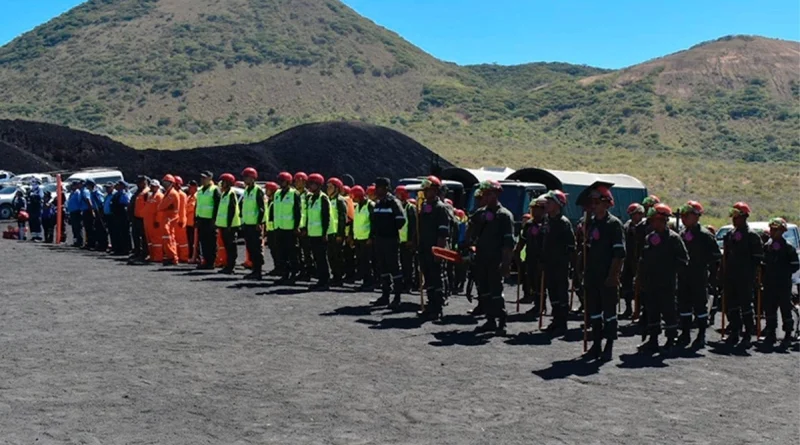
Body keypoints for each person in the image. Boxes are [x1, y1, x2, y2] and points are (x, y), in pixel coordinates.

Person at [637, 203, 689, 354]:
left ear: (663, 220)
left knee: (668, 312)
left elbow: (683, 260)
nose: (653, 223)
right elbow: (643, 259)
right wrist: (640, 278)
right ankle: (653, 340)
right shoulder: (649, 238)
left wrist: (670, 269)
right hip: (650, 282)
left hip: (667, 283)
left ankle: (670, 340)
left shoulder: (674, 239)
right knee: (652, 311)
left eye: (655, 220)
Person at [582, 184, 625, 361]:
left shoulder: (614, 224)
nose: (593, 205)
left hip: (607, 275)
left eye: (597, 202)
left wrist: (613, 275)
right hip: (592, 274)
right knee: (594, 312)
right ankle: (596, 344)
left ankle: (609, 346)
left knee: (609, 314)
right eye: (592, 202)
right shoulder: (590, 223)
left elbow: (619, 253)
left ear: (606, 204)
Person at [468, 180, 514, 334]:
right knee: (484, 290)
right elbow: (470, 232)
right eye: (484, 194)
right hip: (481, 258)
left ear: (496, 194)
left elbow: (508, 243)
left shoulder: (505, 216)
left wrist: (506, 263)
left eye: (489, 193)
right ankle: (490, 320)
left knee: (496, 291)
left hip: (496, 259)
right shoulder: (480, 213)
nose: (486, 196)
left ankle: (502, 320)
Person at [676, 201, 721, 349]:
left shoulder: (705, 235)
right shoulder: (682, 233)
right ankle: (685, 334)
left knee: (700, 307)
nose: (683, 218)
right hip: (683, 276)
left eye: (686, 215)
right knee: (684, 306)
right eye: (682, 216)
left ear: (696, 216)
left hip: (699, 276)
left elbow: (715, 257)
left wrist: (712, 277)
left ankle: (701, 335)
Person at [720, 202, 764, 348]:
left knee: (746, 306)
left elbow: (758, 259)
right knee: (731, 305)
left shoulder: (752, 236)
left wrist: (756, 277)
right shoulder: (730, 235)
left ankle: (747, 333)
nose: (734, 219)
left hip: (745, 277)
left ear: (744, 217)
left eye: (737, 216)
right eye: (733, 216)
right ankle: (734, 331)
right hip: (731, 276)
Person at [541, 190, 576, 337]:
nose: (546, 204)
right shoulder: (547, 220)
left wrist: (572, 265)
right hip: (548, 263)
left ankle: (562, 323)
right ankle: (555, 319)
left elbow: (571, 246)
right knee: (552, 293)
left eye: (550, 202)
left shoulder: (563, 223)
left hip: (560, 264)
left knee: (561, 294)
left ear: (557, 205)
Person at [761, 217, 800, 347]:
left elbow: (795, 265)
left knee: (785, 310)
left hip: (783, 285)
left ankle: (788, 335)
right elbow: (763, 264)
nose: (772, 232)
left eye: (775, 229)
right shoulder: (767, 246)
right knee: (769, 309)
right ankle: (770, 334)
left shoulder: (789, 248)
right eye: (771, 229)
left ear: (782, 231)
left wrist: (783, 271)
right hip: (769, 284)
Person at [416, 176, 450, 320]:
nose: (424, 192)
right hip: (424, 248)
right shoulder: (423, 206)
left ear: (435, 190)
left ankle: (437, 307)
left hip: (435, 249)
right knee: (428, 278)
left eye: (427, 190)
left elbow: (443, 232)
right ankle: (430, 305)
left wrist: (439, 251)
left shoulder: (440, 208)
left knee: (436, 278)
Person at [369, 177, 406, 308]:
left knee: (394, 267)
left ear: (386, 188)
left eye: (379, 188)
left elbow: (401, 220)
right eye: (376, 188)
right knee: (382, 267)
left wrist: (389, 229)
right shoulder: (378, 203)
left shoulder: (393, 202)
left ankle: (397, 297)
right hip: (379, 240)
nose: (377, 191)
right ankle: (385, 295)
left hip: (390, 240)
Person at [516, 197, 547, 318]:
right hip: (530, 257)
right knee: (532, 282)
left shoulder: (547, 224)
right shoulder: (529, 224)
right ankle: (536, 303)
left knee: (541, 283)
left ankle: (542, 306)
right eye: (532, 209)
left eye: (536, 209)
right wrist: (517, 252)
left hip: (543, 259)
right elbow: (522, 240)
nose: (533, 211)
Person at [271, 171, 302, 284]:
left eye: (283, 181)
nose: (281, 183)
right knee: (281, 252)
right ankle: (285, 274)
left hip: (290, 228)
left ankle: (294, 274)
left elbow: (298, 212)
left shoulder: (294, 194)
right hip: (279, 227)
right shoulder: (277, 193)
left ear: (288, 182)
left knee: (292, 252)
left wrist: (296, 226)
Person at [305, 173, 331, 290]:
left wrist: (324, 232)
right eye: (310, 183)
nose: (310, 186)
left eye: (313, 184)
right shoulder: (310, 198)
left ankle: (325, 281)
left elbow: (326, 217)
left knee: (321, 258)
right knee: (316, 257)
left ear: (319, 185)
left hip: (320, 234)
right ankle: (321, 279)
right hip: (312, 233)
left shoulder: (323, 198)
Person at [620, 203, 645, 319]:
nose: (633, 217)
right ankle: (628, 307)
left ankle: (640, 309)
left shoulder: (646, 226)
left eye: (635, 214)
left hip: (641, 260)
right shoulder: (627, 226)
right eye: (632, 215)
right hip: (628, 259)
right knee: (626, 283)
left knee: (641, 286)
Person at [240, 168, 266, 280]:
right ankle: (254, 269)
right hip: (247, 224)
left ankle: (258, 271)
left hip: (255, 225)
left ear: (253, 178)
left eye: (247, 177)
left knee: (256, 248)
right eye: (244, 177)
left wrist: (259, 222)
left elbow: (261, 208)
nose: (245, 179)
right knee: (250, 248)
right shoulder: (246, 191)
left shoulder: (257, 190)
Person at [215, 173, 241, 274]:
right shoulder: (224, 194)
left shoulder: (231, 194)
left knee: (231, 247)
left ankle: (231, 266)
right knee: (227, 246)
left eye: (223, 182)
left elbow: (231, 210)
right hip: (224, 225)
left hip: (230, 226)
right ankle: (228, 265)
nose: (221, 184)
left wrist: (229, 224)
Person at [195, 171, 222, 270]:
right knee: (203, 242)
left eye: (204, 178)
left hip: (210, 221)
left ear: (210, 178)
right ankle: (205, 261)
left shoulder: (215, 190)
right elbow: (198, 205)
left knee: (211, 242)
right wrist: (196, 219)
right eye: (201, 178)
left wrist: (215, 220)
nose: (202, 180)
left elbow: (218, 206)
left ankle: (211, 262)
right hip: (202, 220)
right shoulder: (200, 190)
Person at [350, 185, 375, 291]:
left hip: (367, 238)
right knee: (361, 261)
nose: (353, 199)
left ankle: (370, 282)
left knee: (367, 261)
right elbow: (355, 222)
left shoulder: (370, 205)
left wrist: (371, 237)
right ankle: (365, 280)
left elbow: (374, 223)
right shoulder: (357, 207)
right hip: (359, 238)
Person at [395, 185, 418, 294]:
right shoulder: (397, 207)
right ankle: (403, 282)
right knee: (401, 263)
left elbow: (413, 226)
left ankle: (409, 283)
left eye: (398, 194)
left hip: (407, 241)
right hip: (399, 240)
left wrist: (411, 240)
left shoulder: (410, 208)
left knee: (408, 263)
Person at [326, 177, 348, 286]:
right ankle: (334, 275)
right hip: (330, 233)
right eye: (328, 187)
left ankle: (338, 277)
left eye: (331, 187)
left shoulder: (340, 201)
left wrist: (340, 234)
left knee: (337, 256)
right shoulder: (329, 200)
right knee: (330, 256)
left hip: (337, 234)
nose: (328, 189)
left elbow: (342, 218)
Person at [294, 171, 314, 280]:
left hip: (305, 228)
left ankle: (309, 272)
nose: (297, 183)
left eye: (299, 180)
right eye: (296, 180)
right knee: (298, 251)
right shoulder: (294, 194)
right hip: (297, 227)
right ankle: (301, 270)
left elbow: (309, 213)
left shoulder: (308, 196)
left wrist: (306, 227)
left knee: (307, 251)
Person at [157, 175, 180, 266]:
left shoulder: (172, 194)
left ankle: (172, 257)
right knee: (168, 238)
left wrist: (162, 207)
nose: (164, 183)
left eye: (166, 182)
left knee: (169, 238)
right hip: (167, 218)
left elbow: (161, 206)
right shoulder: (168, 192)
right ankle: (170, 256)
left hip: (170, 219)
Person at [143, 179, 164, 263]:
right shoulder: (150, 196)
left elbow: (160, 210)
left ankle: (158, 257)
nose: (152, 187)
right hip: (148, 222)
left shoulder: (159, 196)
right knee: (150, 240)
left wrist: (157, 220)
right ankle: (152, 255)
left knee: (157, 240)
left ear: (158, 187)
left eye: (154, 186)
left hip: (154, 222)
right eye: (151, 186)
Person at [129, 176, 149, 261]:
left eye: (140, 182)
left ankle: (144, 253)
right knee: (135, 235)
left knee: (144, 237)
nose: (138, 184)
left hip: (143, 218)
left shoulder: (147, 192)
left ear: (144, 182)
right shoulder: (138, 192)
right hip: (136, 217)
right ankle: (137, 251)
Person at [110, 181, 131, 255]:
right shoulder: (116, 194)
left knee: (124, 233)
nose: (116, 186)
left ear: (122, 186)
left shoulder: (124, 194)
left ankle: (125, 249)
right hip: (116, 216)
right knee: (117, 233)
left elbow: (127, 204)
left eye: (118, 185)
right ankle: (118, 248)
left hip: (122, 216)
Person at [263, 181, 280, 274]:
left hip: (275, 229)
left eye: (267, 189)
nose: (266, 191)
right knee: (273, 249)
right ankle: (276, 267)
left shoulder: (275, 202)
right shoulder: (268, 201)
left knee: (277, 250)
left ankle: (279, 268)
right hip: (270, 229)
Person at [173, 176, 190, 263]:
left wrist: (181, 220)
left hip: (179, 221)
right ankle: (177, 255)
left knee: (182, 240)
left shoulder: (182, 195)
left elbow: (182, 209)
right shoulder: (174, 194)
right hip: (174, 220)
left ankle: (184, 256)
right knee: (175, 240)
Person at [67, 181, 85, 247]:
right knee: (74, 228)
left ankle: (80, 241)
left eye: (73, 185)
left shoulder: (78, 193)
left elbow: (79, 201)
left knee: (78, 227)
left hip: (77, 212)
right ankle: (75, 241)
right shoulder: (72, 193)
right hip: (72, 212)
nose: (72, 187)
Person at [81, 180, 98, 250]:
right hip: (85, 211)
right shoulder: (86, 191)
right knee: (87, 228)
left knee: (90, 228)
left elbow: (89, 201)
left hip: (88, 211)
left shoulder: (86, 191)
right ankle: (89, 243)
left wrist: (92, 211)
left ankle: (91, 243)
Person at [185, 180, 198, 262]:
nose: (189, 188)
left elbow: (191, 208)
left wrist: (185, 208)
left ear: (195, 187)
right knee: (190, 241)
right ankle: (190, 255)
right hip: (188, 222)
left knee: (194, 241)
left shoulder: (196, 197)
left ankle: (195, 257)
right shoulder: (189, 196)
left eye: (190, 187)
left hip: (193, 223)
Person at [102, 182, 115, 252]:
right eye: (106, 188)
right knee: (110, 231)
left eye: (108, 187)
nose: (107, 189)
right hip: (107, 215)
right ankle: (112, 245)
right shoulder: (107, 195)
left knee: (114, 232)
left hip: (112, 216)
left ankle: (115, 246)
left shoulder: (114, 195)